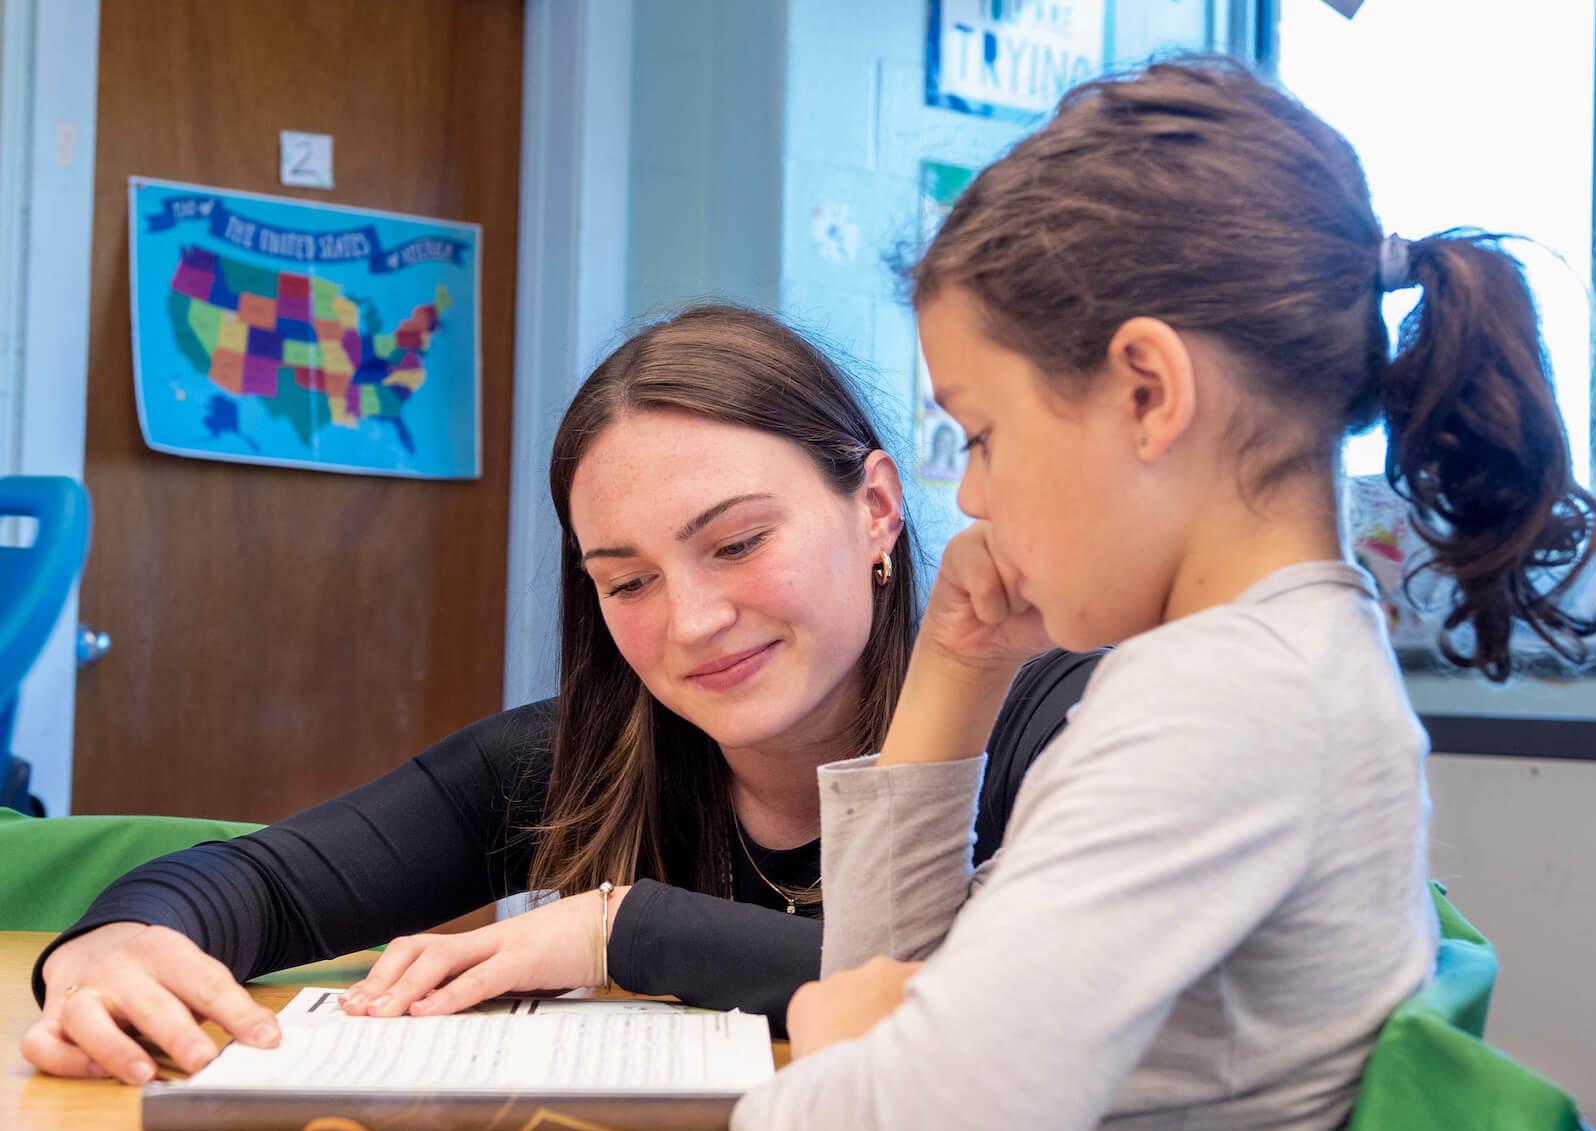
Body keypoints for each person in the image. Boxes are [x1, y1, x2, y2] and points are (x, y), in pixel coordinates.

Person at [729, 56, 1596, 1131]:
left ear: (1147, 391)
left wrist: (813, 1054)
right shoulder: (1277, 667)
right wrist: (953, 668)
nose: (975, 498)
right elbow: (904, 984)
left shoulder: (1220, 709)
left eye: (982, 434)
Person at [21, 305, 1104, 1086]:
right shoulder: (575, 761)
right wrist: (111, 944)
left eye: (737, 543)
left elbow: (994, 1000)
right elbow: (263, 884)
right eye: (627, 580)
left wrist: (621, 931)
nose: (689, 622)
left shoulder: (1052, 716)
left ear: (875, 508)